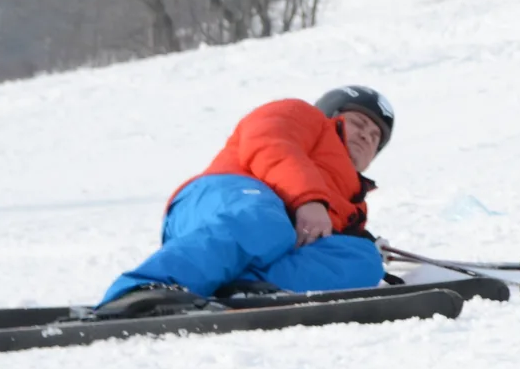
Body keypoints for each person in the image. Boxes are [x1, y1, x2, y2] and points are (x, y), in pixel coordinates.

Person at [96, 87, 396, 317]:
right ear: (331, 115)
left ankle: (244, 290)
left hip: (267, 243)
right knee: (266, 219)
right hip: (221, 197)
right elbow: (269, 141)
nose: (367, 137)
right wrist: (308, 200)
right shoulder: (303, 115)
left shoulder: (353, 204)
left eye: (375, 138)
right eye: (359, 123)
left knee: (363, 259)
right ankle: (142, 289)